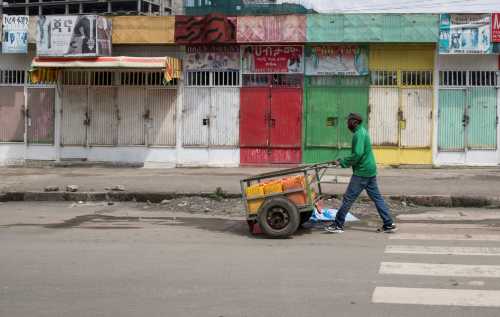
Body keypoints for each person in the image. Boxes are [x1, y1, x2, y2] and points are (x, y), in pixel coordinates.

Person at [326, 113, 397, 234]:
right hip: (370, 170)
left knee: (348, 198)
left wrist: (342, 161)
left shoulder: (359, 134)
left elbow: (358, 154)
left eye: (348, 122)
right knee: (377, 198)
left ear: (354, 122)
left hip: (362, 172)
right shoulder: (362, 131)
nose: (347, 124)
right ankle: (388, 223)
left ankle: (338, 224)